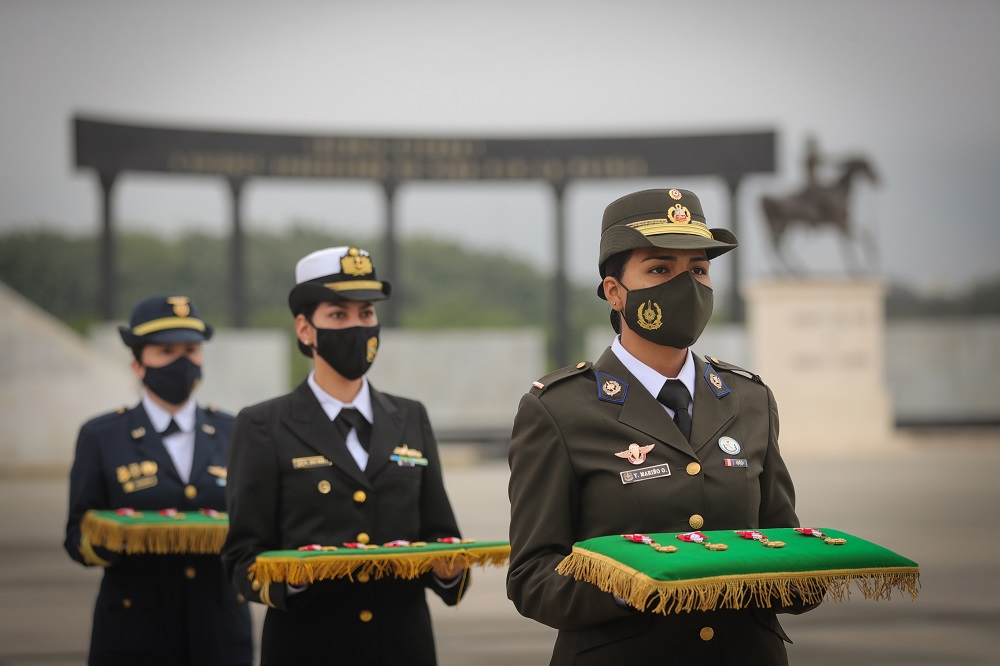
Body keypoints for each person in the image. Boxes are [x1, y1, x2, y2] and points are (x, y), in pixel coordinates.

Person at [507, 188, 816, 664]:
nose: (686, 285)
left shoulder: (750, 399)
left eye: (698, 269)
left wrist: (805, 575)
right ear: (615, 292)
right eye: (659, 269)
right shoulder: (559, 409)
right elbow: (533, 576)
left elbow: (781, 540)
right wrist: (635, 585)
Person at [221, 246, 469, 666]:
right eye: (338, 315)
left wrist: (449, 571)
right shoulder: (263, 424)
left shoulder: (410, 416)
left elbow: (440, 533)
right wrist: (294, 580)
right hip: (309, 648)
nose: (357, 327)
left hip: (402, 649)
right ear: (305, 329)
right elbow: (242, 558)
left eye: (366, 314)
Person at [64, 295, 252, 666]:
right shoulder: (102, 436)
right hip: (136, 632)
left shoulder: (236, 431)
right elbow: (75, 535)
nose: (182, 362)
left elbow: (256, 523)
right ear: (137, 363)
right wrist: (115, 540)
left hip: (218, 632)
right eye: (166, 351)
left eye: (191, 350)